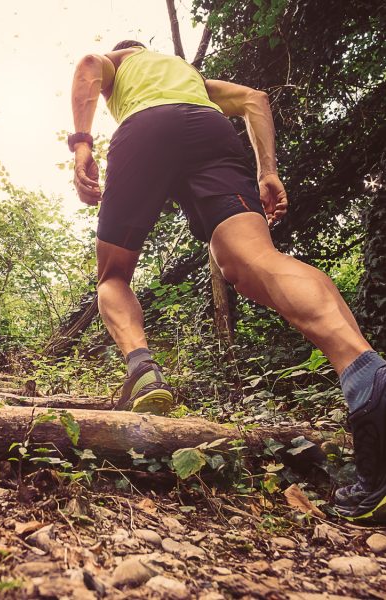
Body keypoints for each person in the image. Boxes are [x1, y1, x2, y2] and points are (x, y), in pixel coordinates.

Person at [68, 40, 385, 522]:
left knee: (113, 274)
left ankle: (141, 367)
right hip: (210, 132)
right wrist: (268, 171)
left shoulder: (121, 66)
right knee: (256, 259)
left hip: (146, 131)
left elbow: (89, 64)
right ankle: (364, 373)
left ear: (124, 55)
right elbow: (255, 98)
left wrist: (82, 143)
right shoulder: (188, 78)